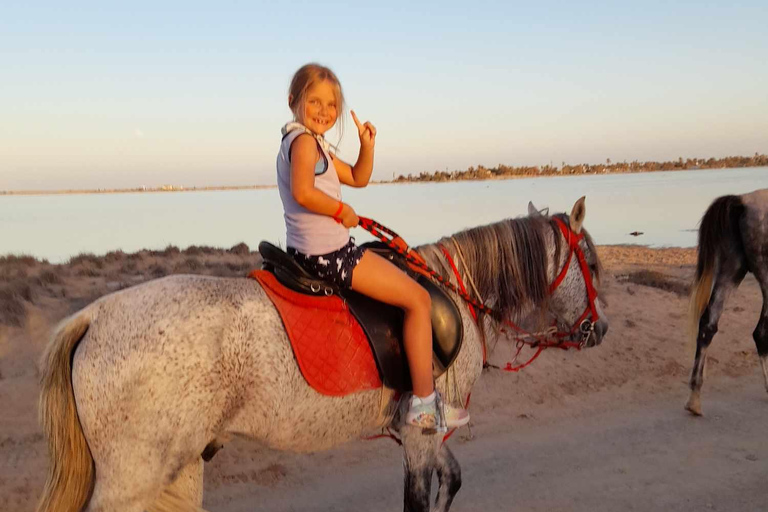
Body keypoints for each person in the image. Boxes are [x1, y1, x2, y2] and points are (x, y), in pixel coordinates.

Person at [276, 63, 469, 429]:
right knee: (418, 299)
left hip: (316, 251)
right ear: (293, 102)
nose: (323, 111)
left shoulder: (316, 145)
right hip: (330, 256)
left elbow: (359, 178)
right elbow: (303, 191)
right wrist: (339, 209)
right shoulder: (302, 143)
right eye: (314, 101)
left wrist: (367, 146)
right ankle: (424, 405)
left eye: (331, 105)